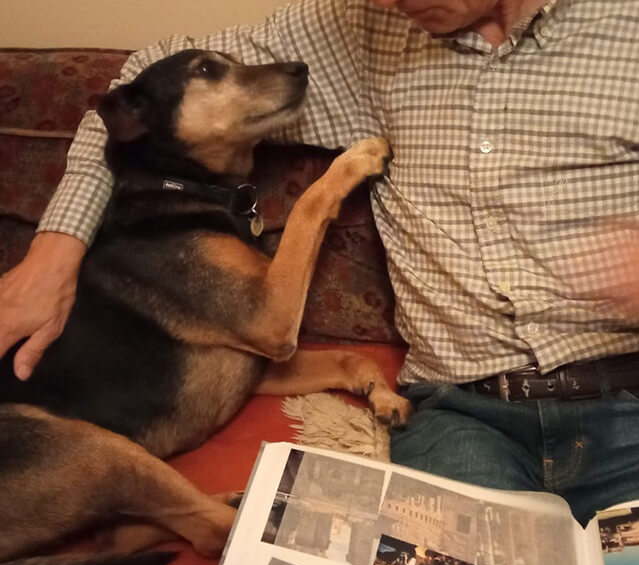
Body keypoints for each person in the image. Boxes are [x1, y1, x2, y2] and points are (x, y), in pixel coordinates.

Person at [2, 0, 639, 525]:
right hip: (462, 416)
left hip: (626, 396)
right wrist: (55, 250)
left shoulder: (623, 25)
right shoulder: (366, 28)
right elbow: (135, 89)